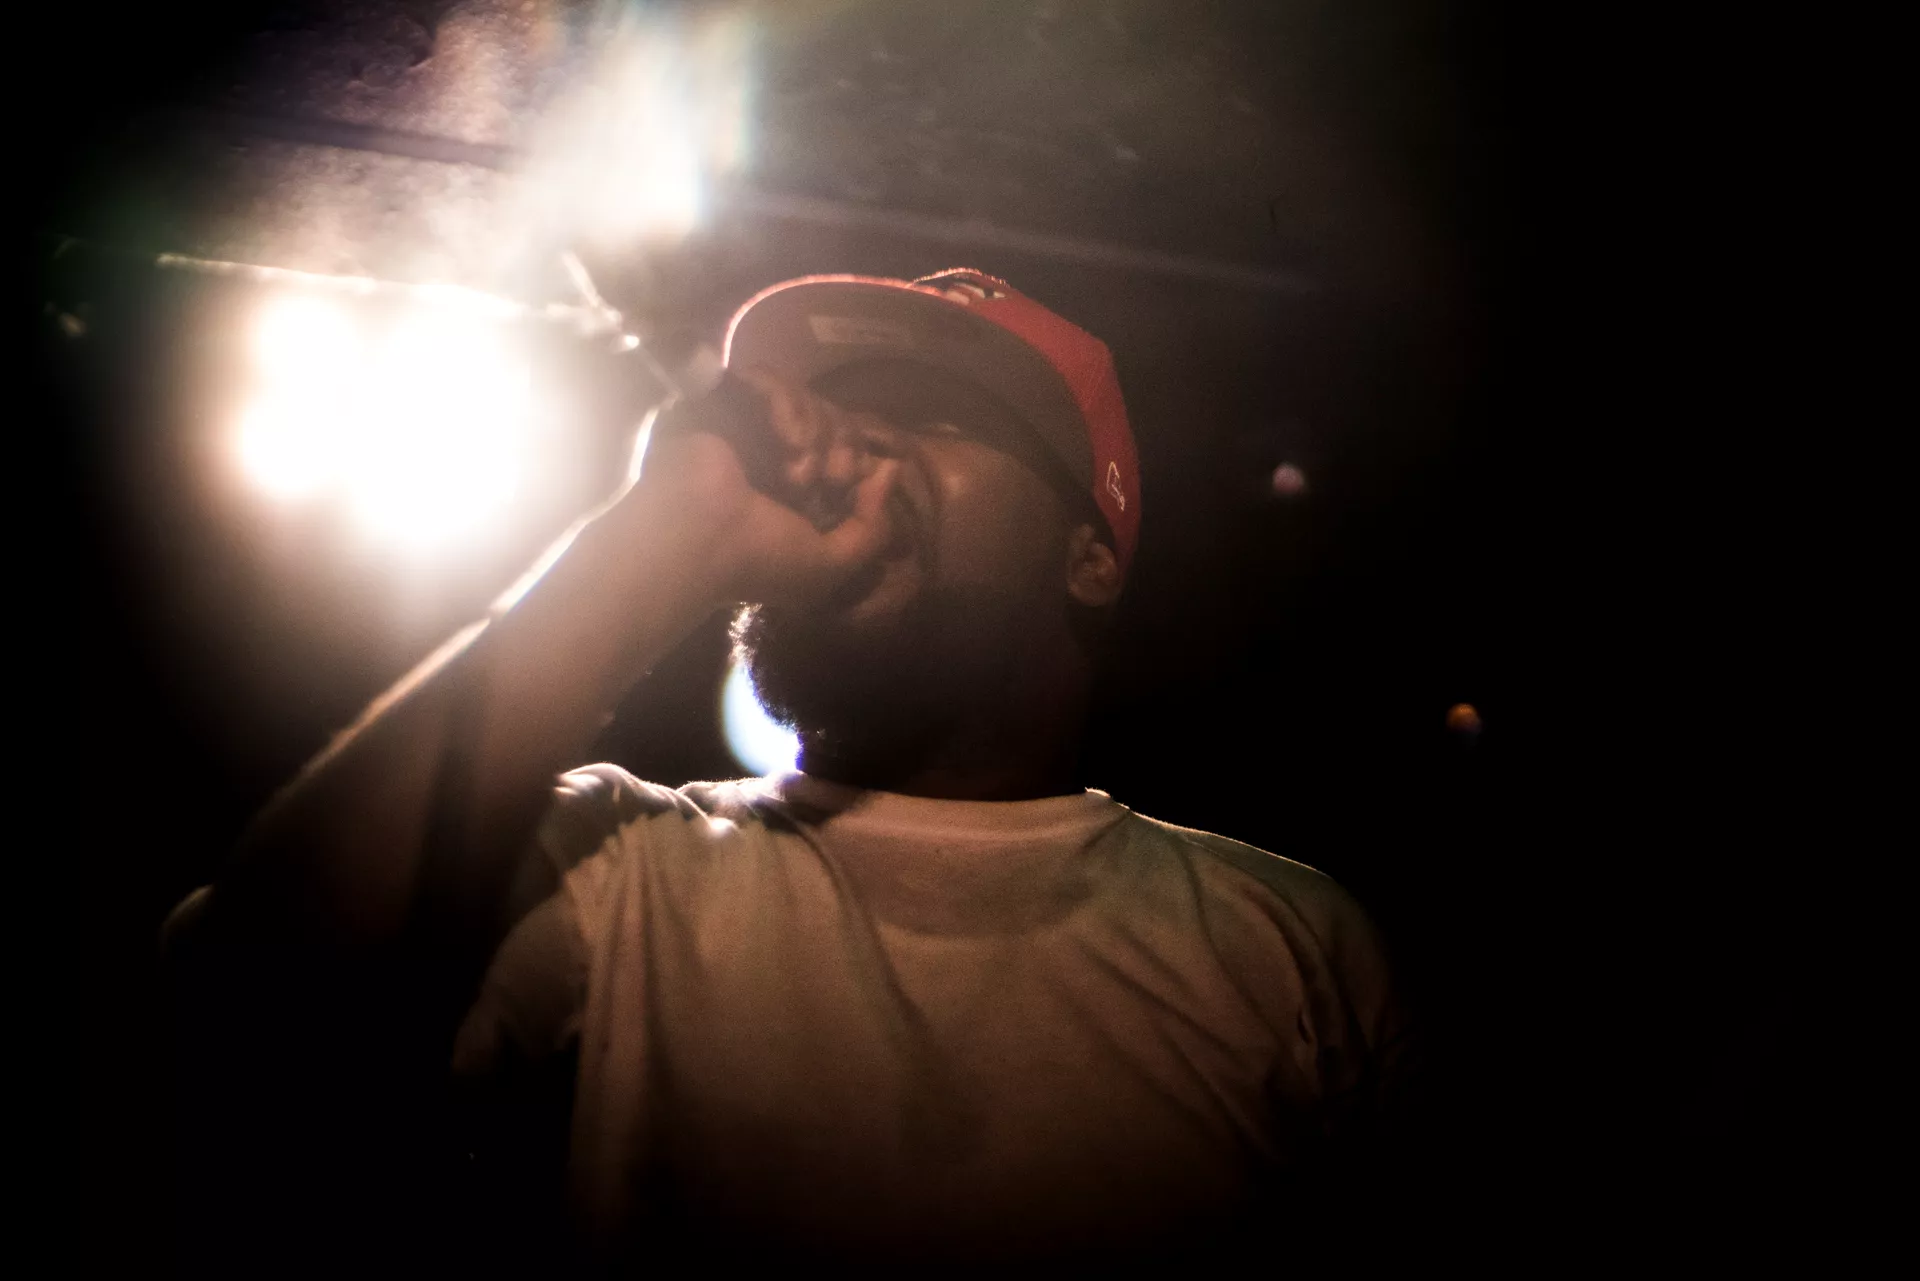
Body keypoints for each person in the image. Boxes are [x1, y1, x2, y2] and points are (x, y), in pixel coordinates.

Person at [165, 269, 1416, 1271]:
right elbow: (235, 1011)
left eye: (939, 414)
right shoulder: (616, 867)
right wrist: (669, 533)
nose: (857, 443)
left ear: (1089, 557)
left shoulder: (1283, 947)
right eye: (842, 409)